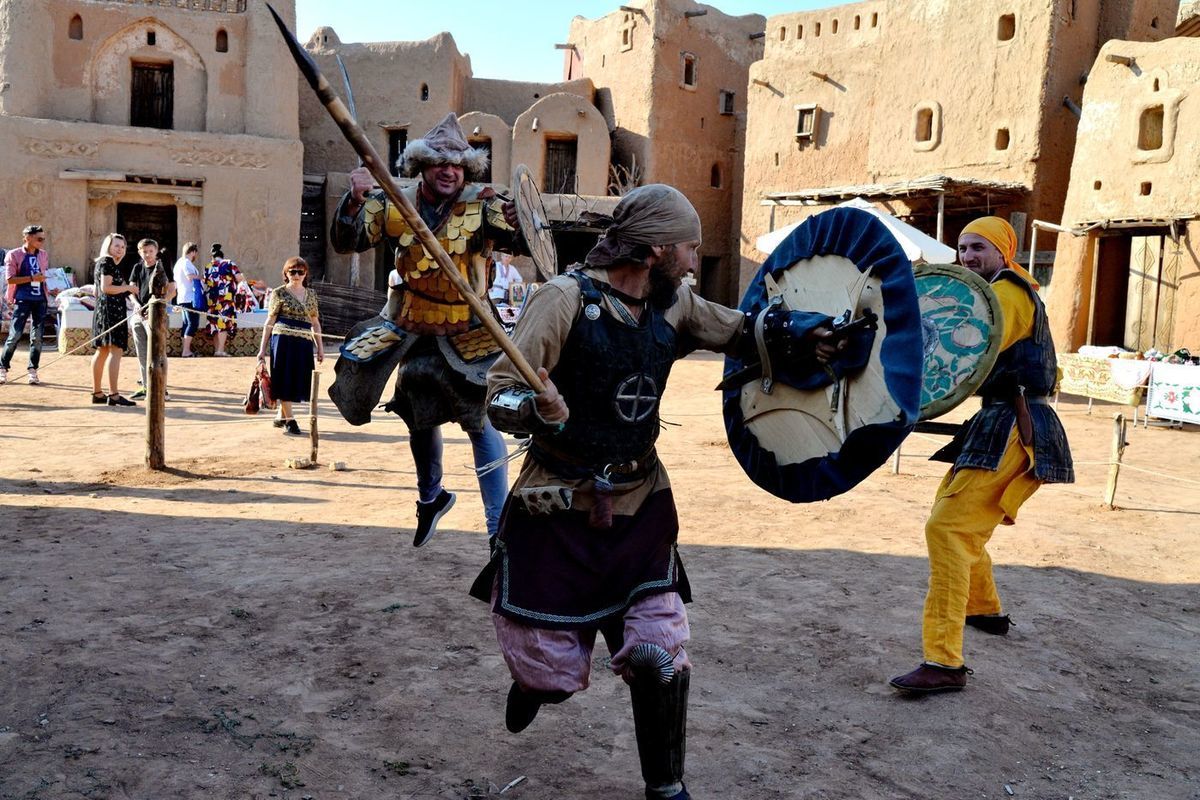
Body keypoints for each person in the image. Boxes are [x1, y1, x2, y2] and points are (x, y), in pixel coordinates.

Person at [470, 184, 842, 800]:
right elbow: (498, 395)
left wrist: (810, 332)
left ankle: (665, 787)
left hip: (641, 502)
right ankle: (537, 684)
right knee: (552, 669)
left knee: (659, 652)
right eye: (689, 249)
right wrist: (535, 408)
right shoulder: (562, 300)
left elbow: (744, 330)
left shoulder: (674, 305)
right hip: (557, 504)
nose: (695, 261)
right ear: (654, 250)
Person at [889, 217, 1074, 694]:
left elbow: (968, 350)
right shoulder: (995, 290)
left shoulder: (1007, 295)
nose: (967, 257)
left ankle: (944, 662)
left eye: (977, 248)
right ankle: (984, 609)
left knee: (948, 528)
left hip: (1015, 423)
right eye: (962, 248)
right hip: (1000, 418)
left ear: (1003, 251)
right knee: (961, 519)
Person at [330, 112, 523, 547]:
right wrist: (356, 199)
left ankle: (499, 529)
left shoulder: (483, 203)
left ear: (467, 168)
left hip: (468, 328)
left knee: (478, 420)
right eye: (439, 163)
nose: (449, 171)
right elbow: (348, 241)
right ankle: (431, 498)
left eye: (457, 164)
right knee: (418, 415)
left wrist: (517, 218)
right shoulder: (393, 201)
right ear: (422, 166)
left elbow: (516, 237)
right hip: (412, 325)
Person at [257, 257, 325, 435]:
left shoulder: (311, 295)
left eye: (300, 272)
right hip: (283, 342)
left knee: (299, 380)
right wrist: (262, 349)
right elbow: (270, 321)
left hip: (303, 343)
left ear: (305, 274)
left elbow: (315, 323)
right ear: (286, 274)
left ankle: (281, 413)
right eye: (292, 272)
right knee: (284, 378)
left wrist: (320, 347)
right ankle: (290, 420)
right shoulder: (278, 293)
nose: (296, 275)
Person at [1, 225, 54, 386]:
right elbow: (10, 279)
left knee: (37, 337)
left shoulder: (43, 255)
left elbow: (42, 275)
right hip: (23, 298)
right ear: (27, 238)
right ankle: (3, 367)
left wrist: (47, 284)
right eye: (39, 239)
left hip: (40, 299)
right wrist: (32, 278)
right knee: (15, 335)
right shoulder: (14, 255)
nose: (42, 242)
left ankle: (33, 370)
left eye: (43, 239)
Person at [90, 233, 138, 406]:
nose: (120, 249)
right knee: (115, 351)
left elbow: (102, 291)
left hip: (104, 310)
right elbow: (106, 288)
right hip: (111, 311)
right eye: (116, 245)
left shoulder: (105, 263)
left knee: (102, 351)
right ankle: (114, 394)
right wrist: (128, 287)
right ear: (108, 246)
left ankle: (97, 392)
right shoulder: (107, 262)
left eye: (123, 246)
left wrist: (130, 293)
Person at [127, 239, 176, 401]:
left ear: (156, 251)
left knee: (158, 352)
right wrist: (137, 305)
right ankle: (147, 386)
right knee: (142, 353)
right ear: (140, 252)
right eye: (144, 251)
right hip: (138, 314)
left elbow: (172, 291)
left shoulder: (162, 267)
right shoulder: (137, 267)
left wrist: (156, 306)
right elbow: (132, 290)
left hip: (157, 314)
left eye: (150, 251)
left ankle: (162, 388)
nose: (147, 254)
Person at [204, 243, 243, 356]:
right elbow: (239, 278)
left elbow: (206, 281)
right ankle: (220, 350)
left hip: (212, 300)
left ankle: (217, 350)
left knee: (214, 324)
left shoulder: (208, 266)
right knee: (223, 324)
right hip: (225, 298)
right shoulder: (229, 263)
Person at [173, 242, 204, 358]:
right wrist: (202, 277)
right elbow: (190, 277)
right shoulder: (186, 262)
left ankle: (186, 349)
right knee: (193, 323)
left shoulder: (178, 263)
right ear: (194, 252)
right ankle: (186, 351)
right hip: (190, 297)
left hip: (182, 297)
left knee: (186, 323)